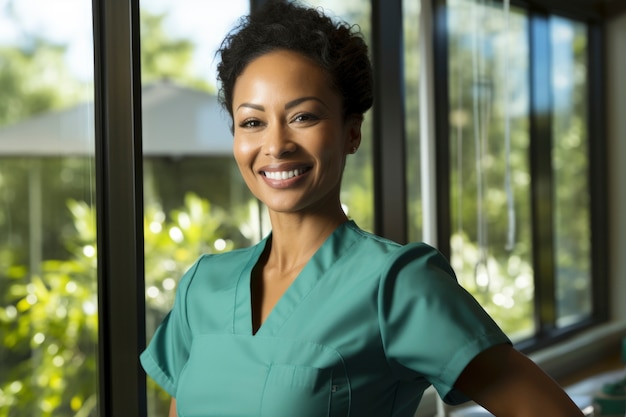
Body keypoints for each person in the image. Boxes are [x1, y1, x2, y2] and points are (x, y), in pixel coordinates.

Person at [140, 1, 585, 416]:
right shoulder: (202, 288)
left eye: (303, 117)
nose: (275, 145)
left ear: (351, 132)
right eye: (252, 122)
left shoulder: (396, 286)